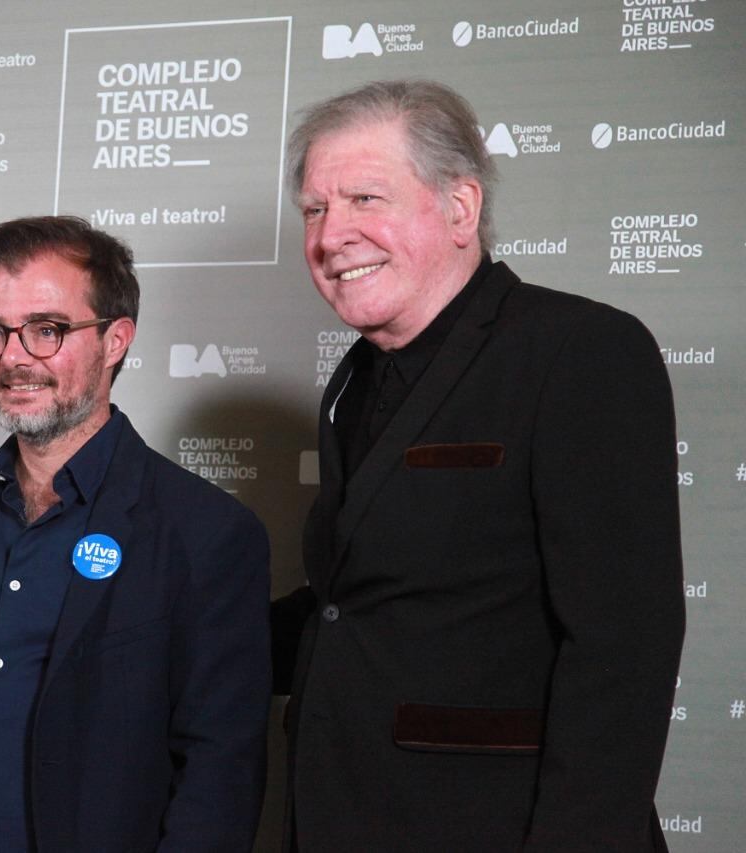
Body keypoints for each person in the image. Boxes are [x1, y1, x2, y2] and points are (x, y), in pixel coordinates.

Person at [272, 80, 685, 851]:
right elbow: (363, 602)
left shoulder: (579, 352)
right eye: (315, 210)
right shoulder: (358, 380)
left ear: (461, 208)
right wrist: (176, 633)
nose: (331, 236)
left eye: (365, 198)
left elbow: (621, 650)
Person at [0, 216, 270, 853]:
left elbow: (219, 772)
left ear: (115, 340)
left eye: (46, 330)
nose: (14, 357)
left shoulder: (205, 531)